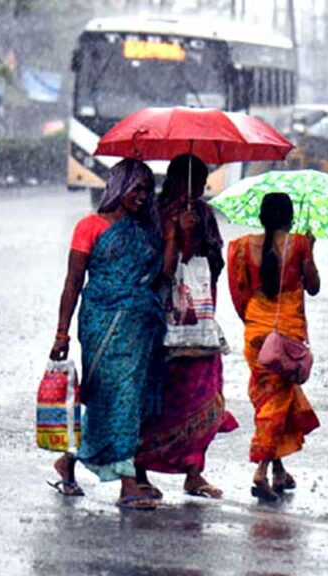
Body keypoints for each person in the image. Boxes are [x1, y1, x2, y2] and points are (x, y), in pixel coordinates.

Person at [49, 158, 165, 510]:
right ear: (117, 186)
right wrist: (61, 333)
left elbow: (162, 274)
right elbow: (73, 282)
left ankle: (68, 462)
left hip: (141, 324)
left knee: (125, 399)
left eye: (148, 189)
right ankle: (128, 482)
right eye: (136, 187)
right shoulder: (90, 226)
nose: (143, 196)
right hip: (102, 321)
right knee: (118, 397)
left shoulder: (147, 231)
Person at [134, 154, 238, 500]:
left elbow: (212, 264)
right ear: (175, 181)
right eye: (189, 183)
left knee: (203, 395)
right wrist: (175, 234)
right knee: (155, 399)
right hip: (158, 322)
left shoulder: (205, 215)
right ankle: (140, 471)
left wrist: (194, 237)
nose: (195, 190)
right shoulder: (152, 213)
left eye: (200, 184)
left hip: (200, 321)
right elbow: (153, 267)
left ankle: (194, 471)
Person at [227, 192, 321, 501]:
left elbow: (238, 293)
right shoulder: (299, 246)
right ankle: (261, 471)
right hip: (287, 337)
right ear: (290, 217)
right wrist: (310, 251)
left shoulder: (241, 247)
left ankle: (279, 472)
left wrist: (255, 326)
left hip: (256, 336)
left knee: (271, 400)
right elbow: (314, 286)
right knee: (275, 405)